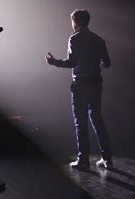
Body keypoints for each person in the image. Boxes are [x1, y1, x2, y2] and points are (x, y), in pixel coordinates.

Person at [45, 9, 113, 171]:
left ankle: (83, 160)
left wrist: (54, 62)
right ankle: (107, 159)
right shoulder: (98, 40)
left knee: (80, 123)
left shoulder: (74, 38)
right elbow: (107, 63)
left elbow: (72, 62)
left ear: (75, 21)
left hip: (81, 84)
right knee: (97, 119)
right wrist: (95, 63)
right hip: (96, 83)